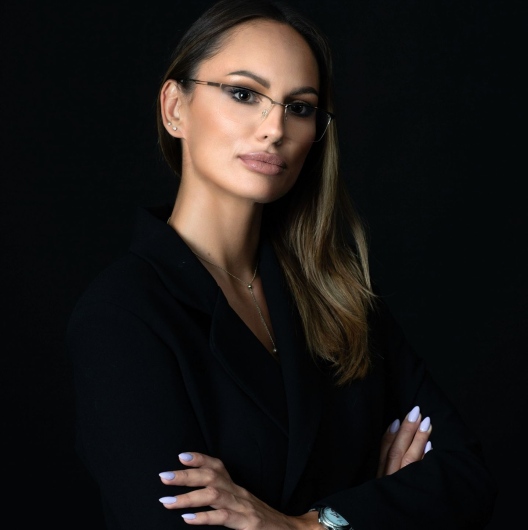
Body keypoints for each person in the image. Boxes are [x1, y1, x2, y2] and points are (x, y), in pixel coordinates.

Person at [66, 0, 497, 528]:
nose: (275, 129)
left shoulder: (337, 292)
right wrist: (385, 504)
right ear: (175, 107)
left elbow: (468, 477)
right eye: (244, 94)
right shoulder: (122, 315)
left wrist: (309, 524)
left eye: (299, 107)